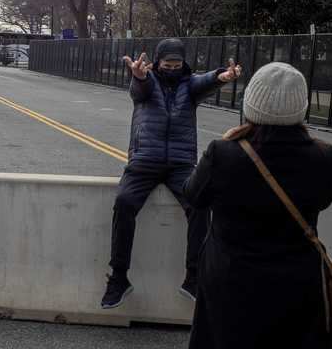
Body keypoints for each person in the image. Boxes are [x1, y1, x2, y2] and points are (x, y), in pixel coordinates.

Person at [184, 62, 332, 349]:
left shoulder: (224, 154)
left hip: (234, 281)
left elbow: (193, 195)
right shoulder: (322, 155)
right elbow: (325, 200)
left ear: (250, 105)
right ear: (300, 107)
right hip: (299, 283)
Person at [101, 38, 242, 309]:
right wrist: (139, 76)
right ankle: (118, 278)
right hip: (144, 162)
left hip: (180, 164)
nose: (173, 69)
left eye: (177, 65)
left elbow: (207, 81)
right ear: (158, 62)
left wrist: (223, 77)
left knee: (200, 205)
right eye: (167, 64)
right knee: (124, 203)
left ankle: (194, 276)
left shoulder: (189, 86)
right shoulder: (147, 81)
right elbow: (138, 90)